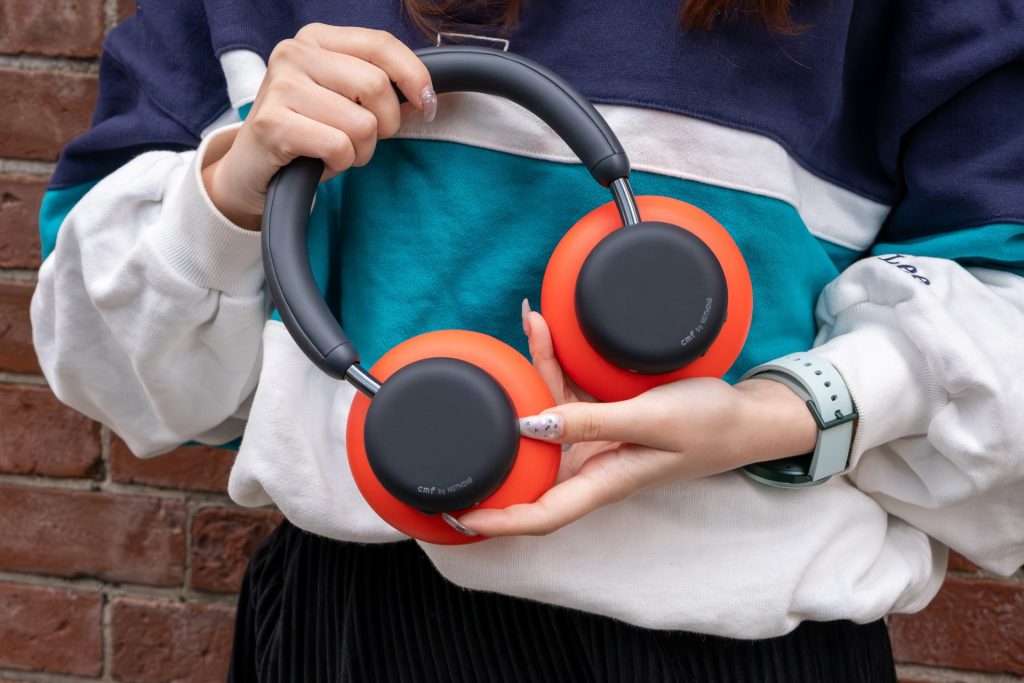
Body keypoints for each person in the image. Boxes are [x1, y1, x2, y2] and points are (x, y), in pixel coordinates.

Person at [31, 1, 1024, 680]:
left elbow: (1002, 302)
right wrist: (233, 185)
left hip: (755, 634)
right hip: (361, 622)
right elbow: (113, 365)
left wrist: (781, 413)